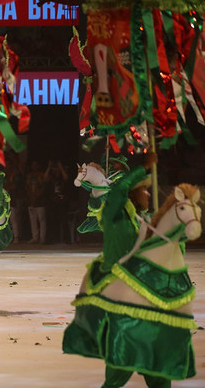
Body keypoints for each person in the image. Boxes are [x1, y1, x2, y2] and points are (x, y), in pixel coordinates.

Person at [63, 153, 178, 387]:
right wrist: (142, 167)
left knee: (157, 372)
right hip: (122, 300)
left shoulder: (140, 219)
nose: (148, 193)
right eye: (143, 190)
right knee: (120, 372)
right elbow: (117, 191)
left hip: (143, 300)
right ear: (131, 194)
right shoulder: (115, 213)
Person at [25, 160, 50, 244]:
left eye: (36, 165)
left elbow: (44, 186)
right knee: (33, 220)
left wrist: (37, 196)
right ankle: (35, 237)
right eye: (33, 165)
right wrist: (31, 197)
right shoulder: (29, 176)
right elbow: (27, 187)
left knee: (42, 220)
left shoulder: (41, 175)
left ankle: (42, 238)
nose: (34, 166)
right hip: (31, 200)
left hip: (40, 201)